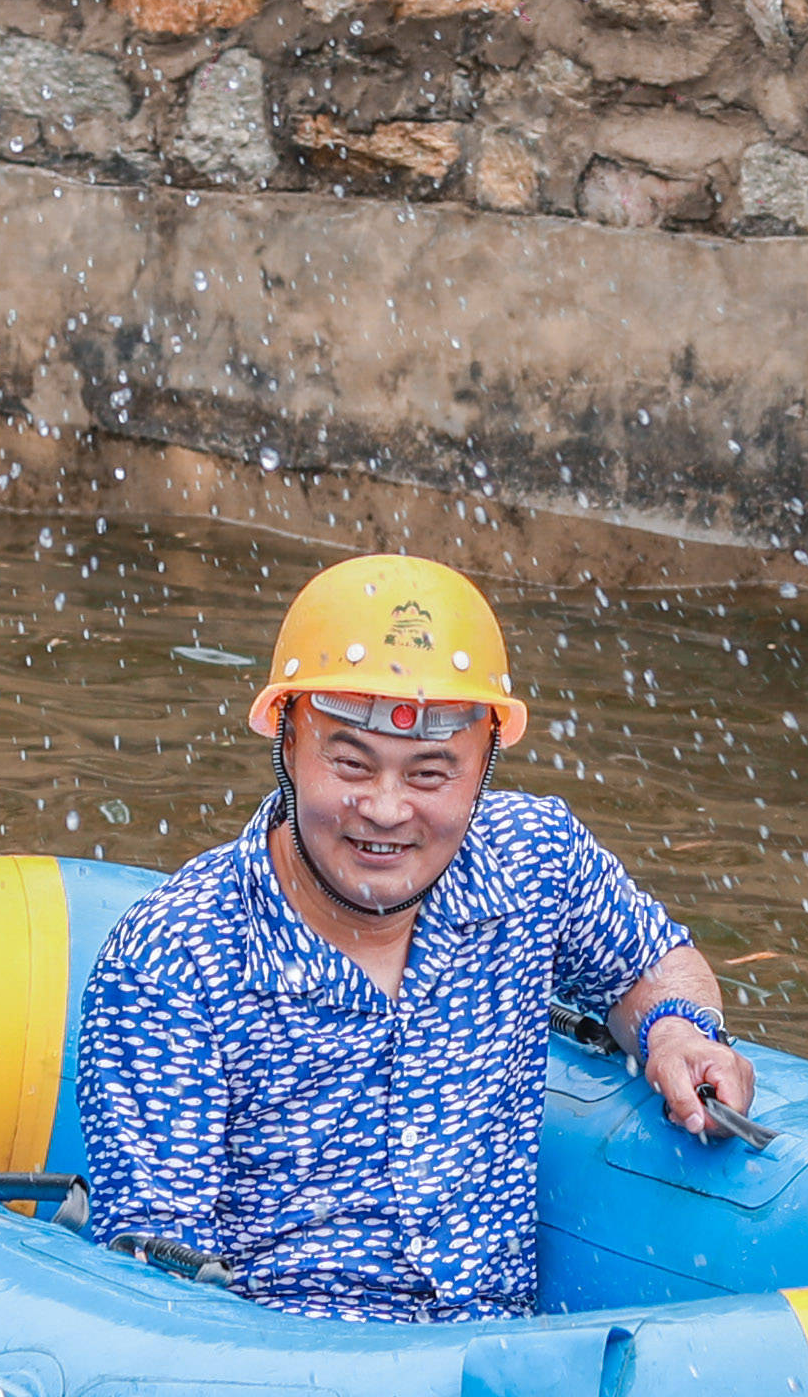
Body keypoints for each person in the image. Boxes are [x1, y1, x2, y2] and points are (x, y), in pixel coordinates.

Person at [64, 556, 757, 1322]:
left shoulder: (533, 860)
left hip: (502, 1372)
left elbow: (653, 965)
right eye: (351, 764)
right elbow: (153, 1280)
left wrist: (678, 1031)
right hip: (289, 1390)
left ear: (484, 764)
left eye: (430, 775)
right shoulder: (174, 960)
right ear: (287, 744)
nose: (386, 810)